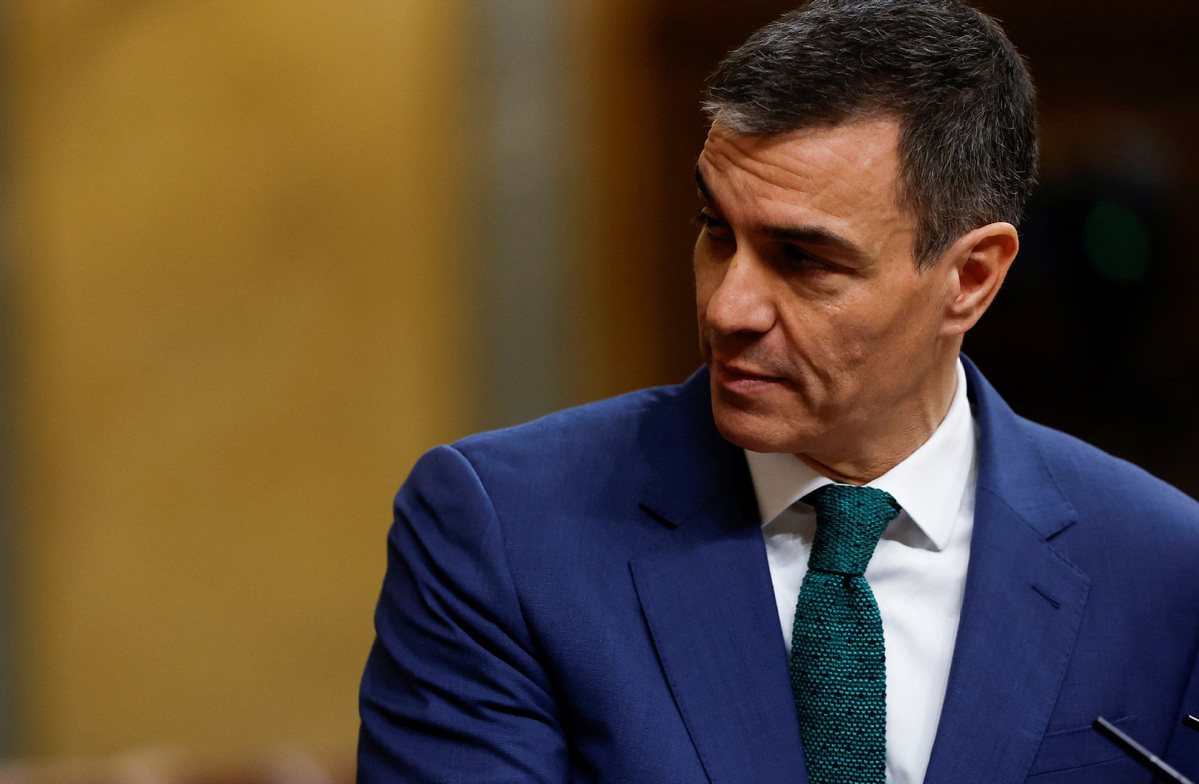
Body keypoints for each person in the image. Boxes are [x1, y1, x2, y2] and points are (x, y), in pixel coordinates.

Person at [357, 1, 1199, 782]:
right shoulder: (506, 533)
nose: (727, 309)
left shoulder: (1163, 566)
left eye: (802, 260)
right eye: (716, 232)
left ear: (970, 278)